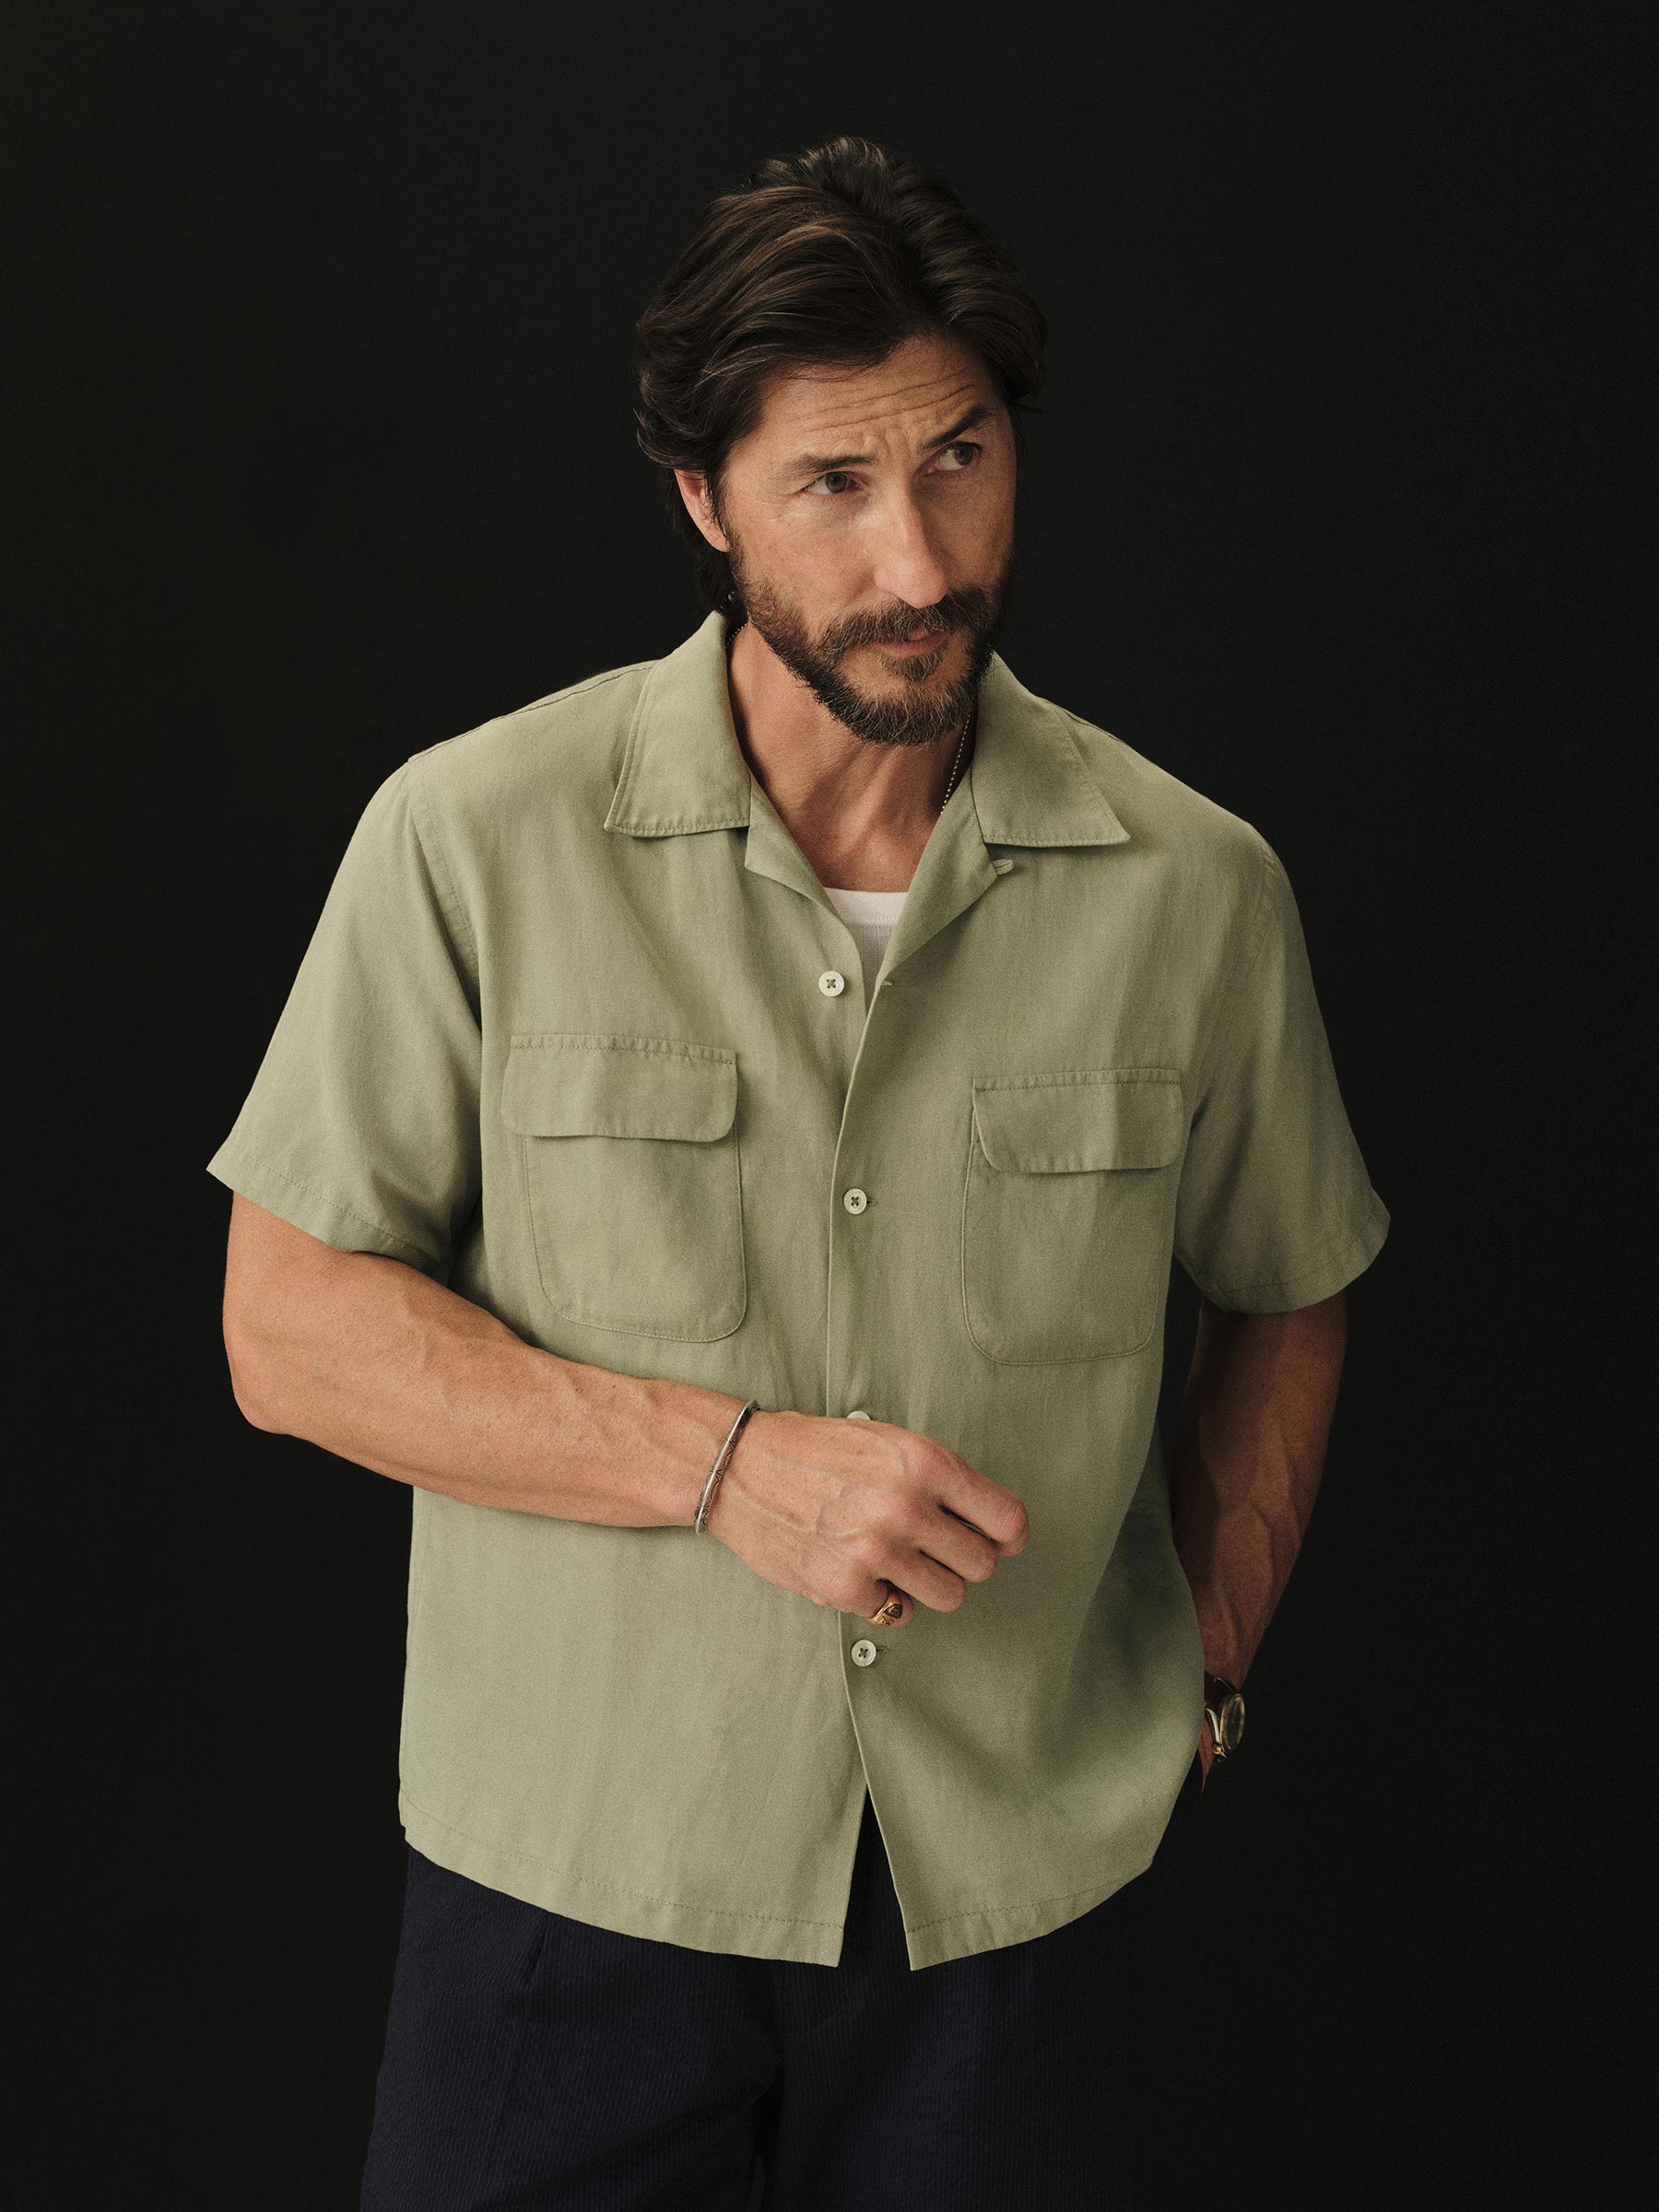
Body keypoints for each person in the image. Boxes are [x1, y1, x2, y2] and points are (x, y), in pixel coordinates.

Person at [211, 134, 1388, 2209]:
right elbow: (290, 1335)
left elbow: (1289, 1280)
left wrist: (1203, 1665)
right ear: (704, 501)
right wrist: (724, 1463)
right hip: (569, 1894)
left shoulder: (1198, 890)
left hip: (1008, 1913)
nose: (919, 559)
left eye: (960, 460)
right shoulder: (471, 841)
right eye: (832, 484)